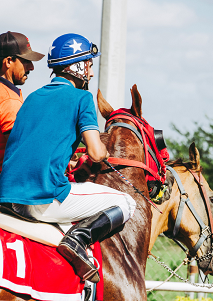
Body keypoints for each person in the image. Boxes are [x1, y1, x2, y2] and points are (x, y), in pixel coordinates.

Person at [0, 33, 136, 283]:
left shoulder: (31, 97)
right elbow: (95, 153)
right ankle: (78, 240)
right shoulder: (82, 98)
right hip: (42, 198)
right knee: (127, 203)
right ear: (76, 66)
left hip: (6, 196)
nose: (91, 73)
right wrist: (104, 153)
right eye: (89, 65)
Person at [0, 31, 44, 172]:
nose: (31, 67)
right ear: (8, 62)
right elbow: (21, 150)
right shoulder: (8, 99)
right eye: (26, 61)